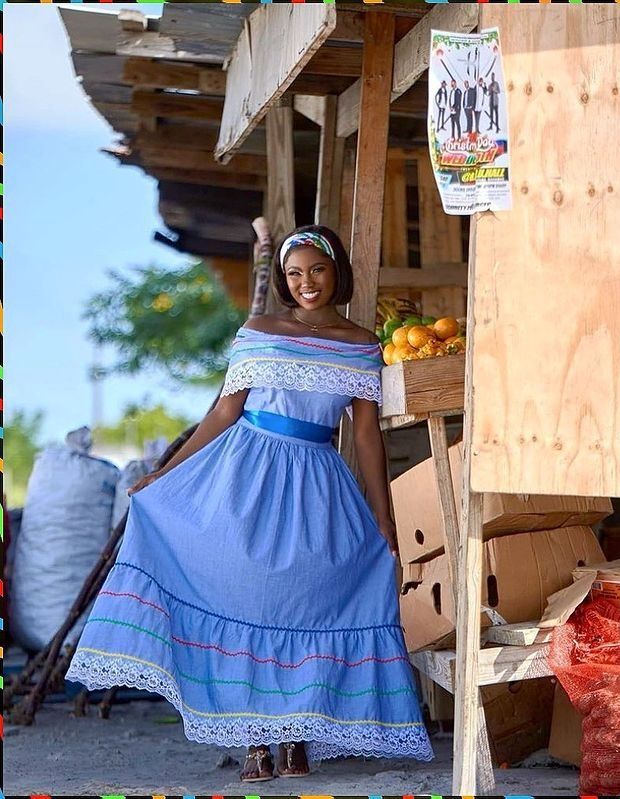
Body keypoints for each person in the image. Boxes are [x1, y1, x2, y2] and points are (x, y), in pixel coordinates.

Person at [66, 225, 434, 782]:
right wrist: (166, 474)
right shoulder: (259, 329)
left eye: (316, 270)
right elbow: (223, 412)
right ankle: (255, 742)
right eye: (294, 274)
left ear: (336, 273)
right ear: (283, 281)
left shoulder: (361, 343)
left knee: (305, 602)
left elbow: (365, 438)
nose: (305, 283)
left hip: (318, 486)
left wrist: (384, 518)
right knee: (245, 598)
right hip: (246, 476)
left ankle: (296, 738)